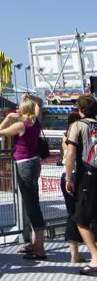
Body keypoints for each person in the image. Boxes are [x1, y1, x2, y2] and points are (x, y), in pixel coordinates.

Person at [0, 94, 46, 259]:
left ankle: (39, 248)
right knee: (33, 202)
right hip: (34, 162)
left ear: (23, 109)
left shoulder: (21, 125)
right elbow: (40, 102)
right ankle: (34, 243)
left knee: (32, 206)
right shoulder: (36, 121)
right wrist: (31, 97)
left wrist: (8, 117)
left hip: (24, 164)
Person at [64, 94, 97, 276]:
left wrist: (68, 178)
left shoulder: (78, 125)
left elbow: (70, 153)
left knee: (80, 218)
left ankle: (95, 258)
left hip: (87, 175)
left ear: (80, 110)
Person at [61, 110, 89, 264]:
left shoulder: (65, 136)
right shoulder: (79, 136)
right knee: (81, 214)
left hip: (67, 175)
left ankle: (74, 254)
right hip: (75, 176)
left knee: (72, 214)